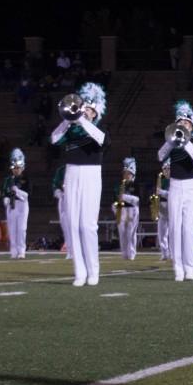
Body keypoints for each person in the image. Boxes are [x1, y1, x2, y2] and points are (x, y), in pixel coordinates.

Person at [51, 82, 110, 286]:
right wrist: (69, 120)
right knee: (73, 224)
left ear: (96, 114)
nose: (85, 113)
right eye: (84, 109)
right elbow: (53, 138)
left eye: (90, 111)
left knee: (88, 226)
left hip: (91, 175)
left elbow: (104, 141)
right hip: (72, 174)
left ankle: (94, 271)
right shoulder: (71, 130)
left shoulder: (96, 130)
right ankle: (79, 271)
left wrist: (83, 121)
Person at [157, 100, 193, 281]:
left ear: (192, 125)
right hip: (176, 186)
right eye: (180, 123)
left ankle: (191, 266)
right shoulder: (172, 142)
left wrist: (185, 142)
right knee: (175, 228)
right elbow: (160, 156)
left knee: (190, 230)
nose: (183, 126)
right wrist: (171, 142)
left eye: (186, 123)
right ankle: (178, 267)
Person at [1, 148, 31, 259]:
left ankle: (22, 250)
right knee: (12, 229)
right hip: (11, 205)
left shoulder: (25, 179)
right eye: (14, 168)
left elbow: (27, 194)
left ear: (22, 167)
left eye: (18, 168)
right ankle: (13, 251)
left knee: (22, 229)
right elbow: (4, 192)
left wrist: (17, 191)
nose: (16, 170)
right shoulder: (8, 179)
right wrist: (5, 198)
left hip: (22, 204)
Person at [112, 157, 140, 261]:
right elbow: (114, 199)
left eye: (128, 173)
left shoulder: (135, 185)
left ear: (132, 174)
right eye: (125, 173)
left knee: (131, 233)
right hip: (122, 210)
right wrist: (115, 208)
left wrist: (124, 197)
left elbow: (137, 200)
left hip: (132, 210)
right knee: (122, 233)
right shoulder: (118, 185)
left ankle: (132, 253)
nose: (126, 175)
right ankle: (124, 253)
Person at [51, 165, 72, 259]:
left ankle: (76, 249)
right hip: (63, 198)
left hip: (74, 198)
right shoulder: (61, 170)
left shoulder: (79, 169)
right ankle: (69, 248)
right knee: (65, 224)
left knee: (73, 224)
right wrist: (57, 192)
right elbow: (55, 184)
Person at [156, 160, 171, 260]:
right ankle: (164, 253)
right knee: (161, 232)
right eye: (164, 169)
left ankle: (174, 252)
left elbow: (173, 194)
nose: (166, 171)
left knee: (173, 231)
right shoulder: (161, 179)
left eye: (168, 169)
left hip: (171, 206)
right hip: (162, 206)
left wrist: (162, 192)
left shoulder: (174, 180)